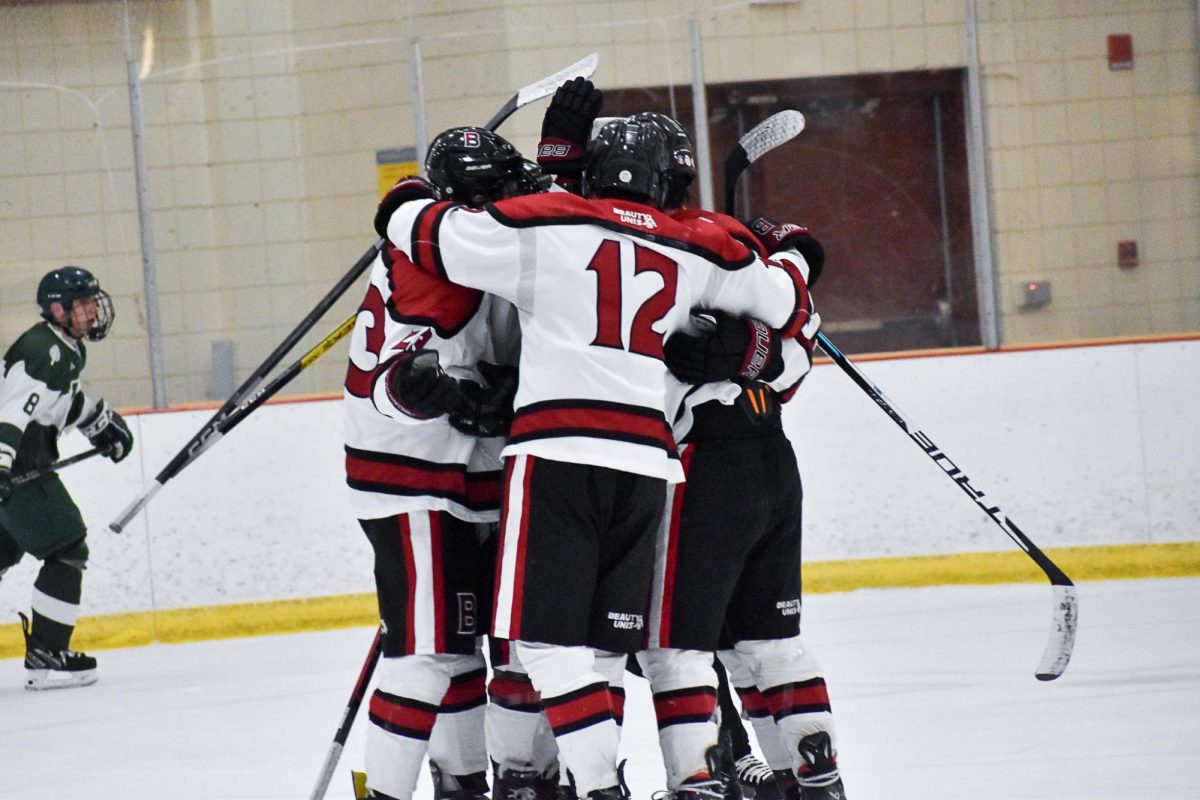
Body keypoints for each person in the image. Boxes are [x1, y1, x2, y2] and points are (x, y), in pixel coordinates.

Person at [378, 115, 815, 800]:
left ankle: (584, 785)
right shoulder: (695, 244)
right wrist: (790, 252)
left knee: (542, 649)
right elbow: (789, 303)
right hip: (649, 467)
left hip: (555, 457)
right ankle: (654, 778)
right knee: (615, 650)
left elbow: (432, 238)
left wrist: (403, 195)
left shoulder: (549, 223)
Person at [621, 114, 846, 800]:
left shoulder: (641, 248)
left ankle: (705, 781)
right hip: (770, 459)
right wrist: (759, 347)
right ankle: (812, 780)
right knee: (766, 643)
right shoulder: (732, 251)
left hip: (702, 465)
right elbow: (797, 335)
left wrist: (749, 348)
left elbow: (790, 333)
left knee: (675, 645)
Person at [345, 126, 556, 800]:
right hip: (418, 479)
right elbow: (394, 377)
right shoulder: (438, 263)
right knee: (433, 653)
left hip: (475, 475)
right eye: (502, 184)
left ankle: (492, 783)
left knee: (502, 646)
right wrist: (440, 392)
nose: (516, 193)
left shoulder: (465, 242)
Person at [0, 266, 133, 690]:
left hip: (19, 464)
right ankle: (47, 655)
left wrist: (98, 419)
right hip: (17, 469)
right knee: (66, 545)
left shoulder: (65, 348)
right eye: (83, 303)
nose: (93, 311)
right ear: (58, 309)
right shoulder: (45, 351)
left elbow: (55, 406)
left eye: (94, 301)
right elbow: (12, 412)